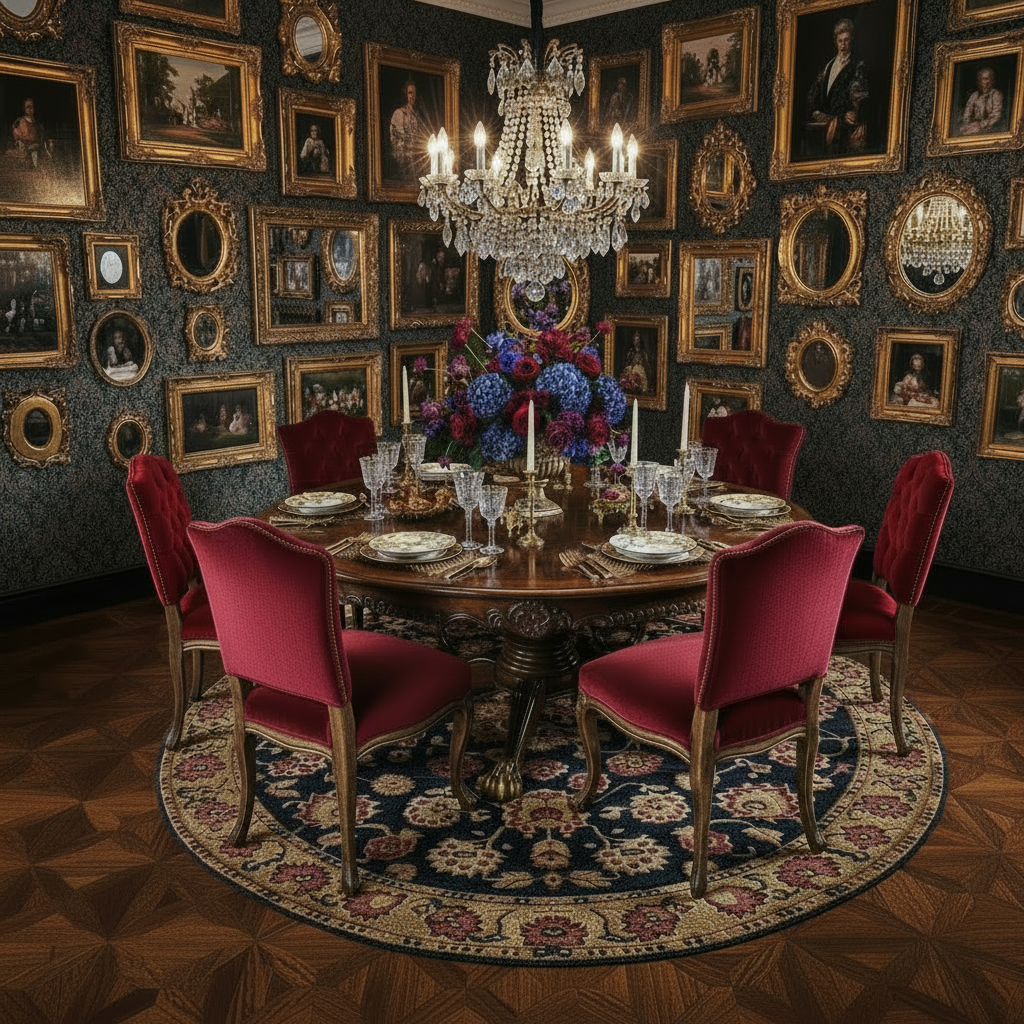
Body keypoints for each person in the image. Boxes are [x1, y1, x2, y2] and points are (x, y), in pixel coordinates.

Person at [805, 18, 870, 157]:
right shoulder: (829, 66)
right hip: (825, 123)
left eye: (846, 40)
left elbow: (860, 96)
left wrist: (855, 113)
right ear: (836, 42)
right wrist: (815, 111)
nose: (843, 45)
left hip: (845, 126)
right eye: (840, 41)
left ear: (851, 40)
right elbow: (815, 92)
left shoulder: (858, 65)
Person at [389, 79, 427, 180]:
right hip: (405, 151)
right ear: (405, 94)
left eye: (414, 93)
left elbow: (419, 133)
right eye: (410, 93)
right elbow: (397, 135)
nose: (412, 96)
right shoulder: (399, 112)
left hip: (416, 150)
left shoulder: (416, 115)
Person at [959, 66, 1004, 135]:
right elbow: (967, 115)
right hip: (973, 128)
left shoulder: (996, 95)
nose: (983, 82)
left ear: (992, 80)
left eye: (986, 79)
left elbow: (996, 116)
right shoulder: (974, 96)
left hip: (990, 129)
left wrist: (981, 125)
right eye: (981, 80)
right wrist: (969, 125)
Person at [11, 97, 51, 170]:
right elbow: (15, 131)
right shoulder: (20, 121)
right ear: (24, 108)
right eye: (27, 107)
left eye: (31, 107)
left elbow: (42, 135)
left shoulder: (37, 123)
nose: (29, 109)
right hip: (25, 147)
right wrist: (19, 141)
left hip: (38, 146)